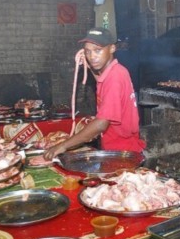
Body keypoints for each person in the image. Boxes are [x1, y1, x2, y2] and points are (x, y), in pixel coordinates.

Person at [44, 27, 145, 160]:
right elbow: (102, 82)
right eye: (87, 51)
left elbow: (102, 123)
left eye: (98, 50)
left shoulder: (115, 77)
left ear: (112, 49)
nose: (92, 57)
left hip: (121, 152)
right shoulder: (117, 70)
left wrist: (63, 146)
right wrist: (88, 66)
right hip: (119, 147)